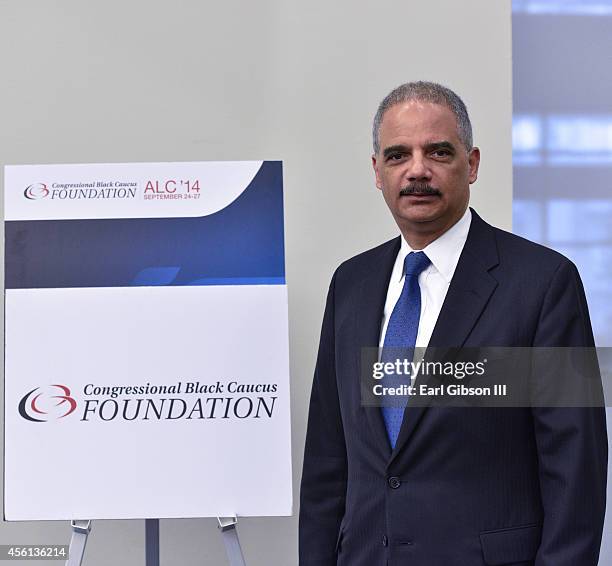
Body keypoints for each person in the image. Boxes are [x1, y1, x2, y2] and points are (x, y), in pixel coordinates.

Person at [299, 81, 608, 566]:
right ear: (377, 172)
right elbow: (326, 461)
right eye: (398, 155)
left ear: (473, 163)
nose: (417, 170)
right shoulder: (351, 286)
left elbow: (576, 470)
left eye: (438, 152)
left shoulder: (544, 284)